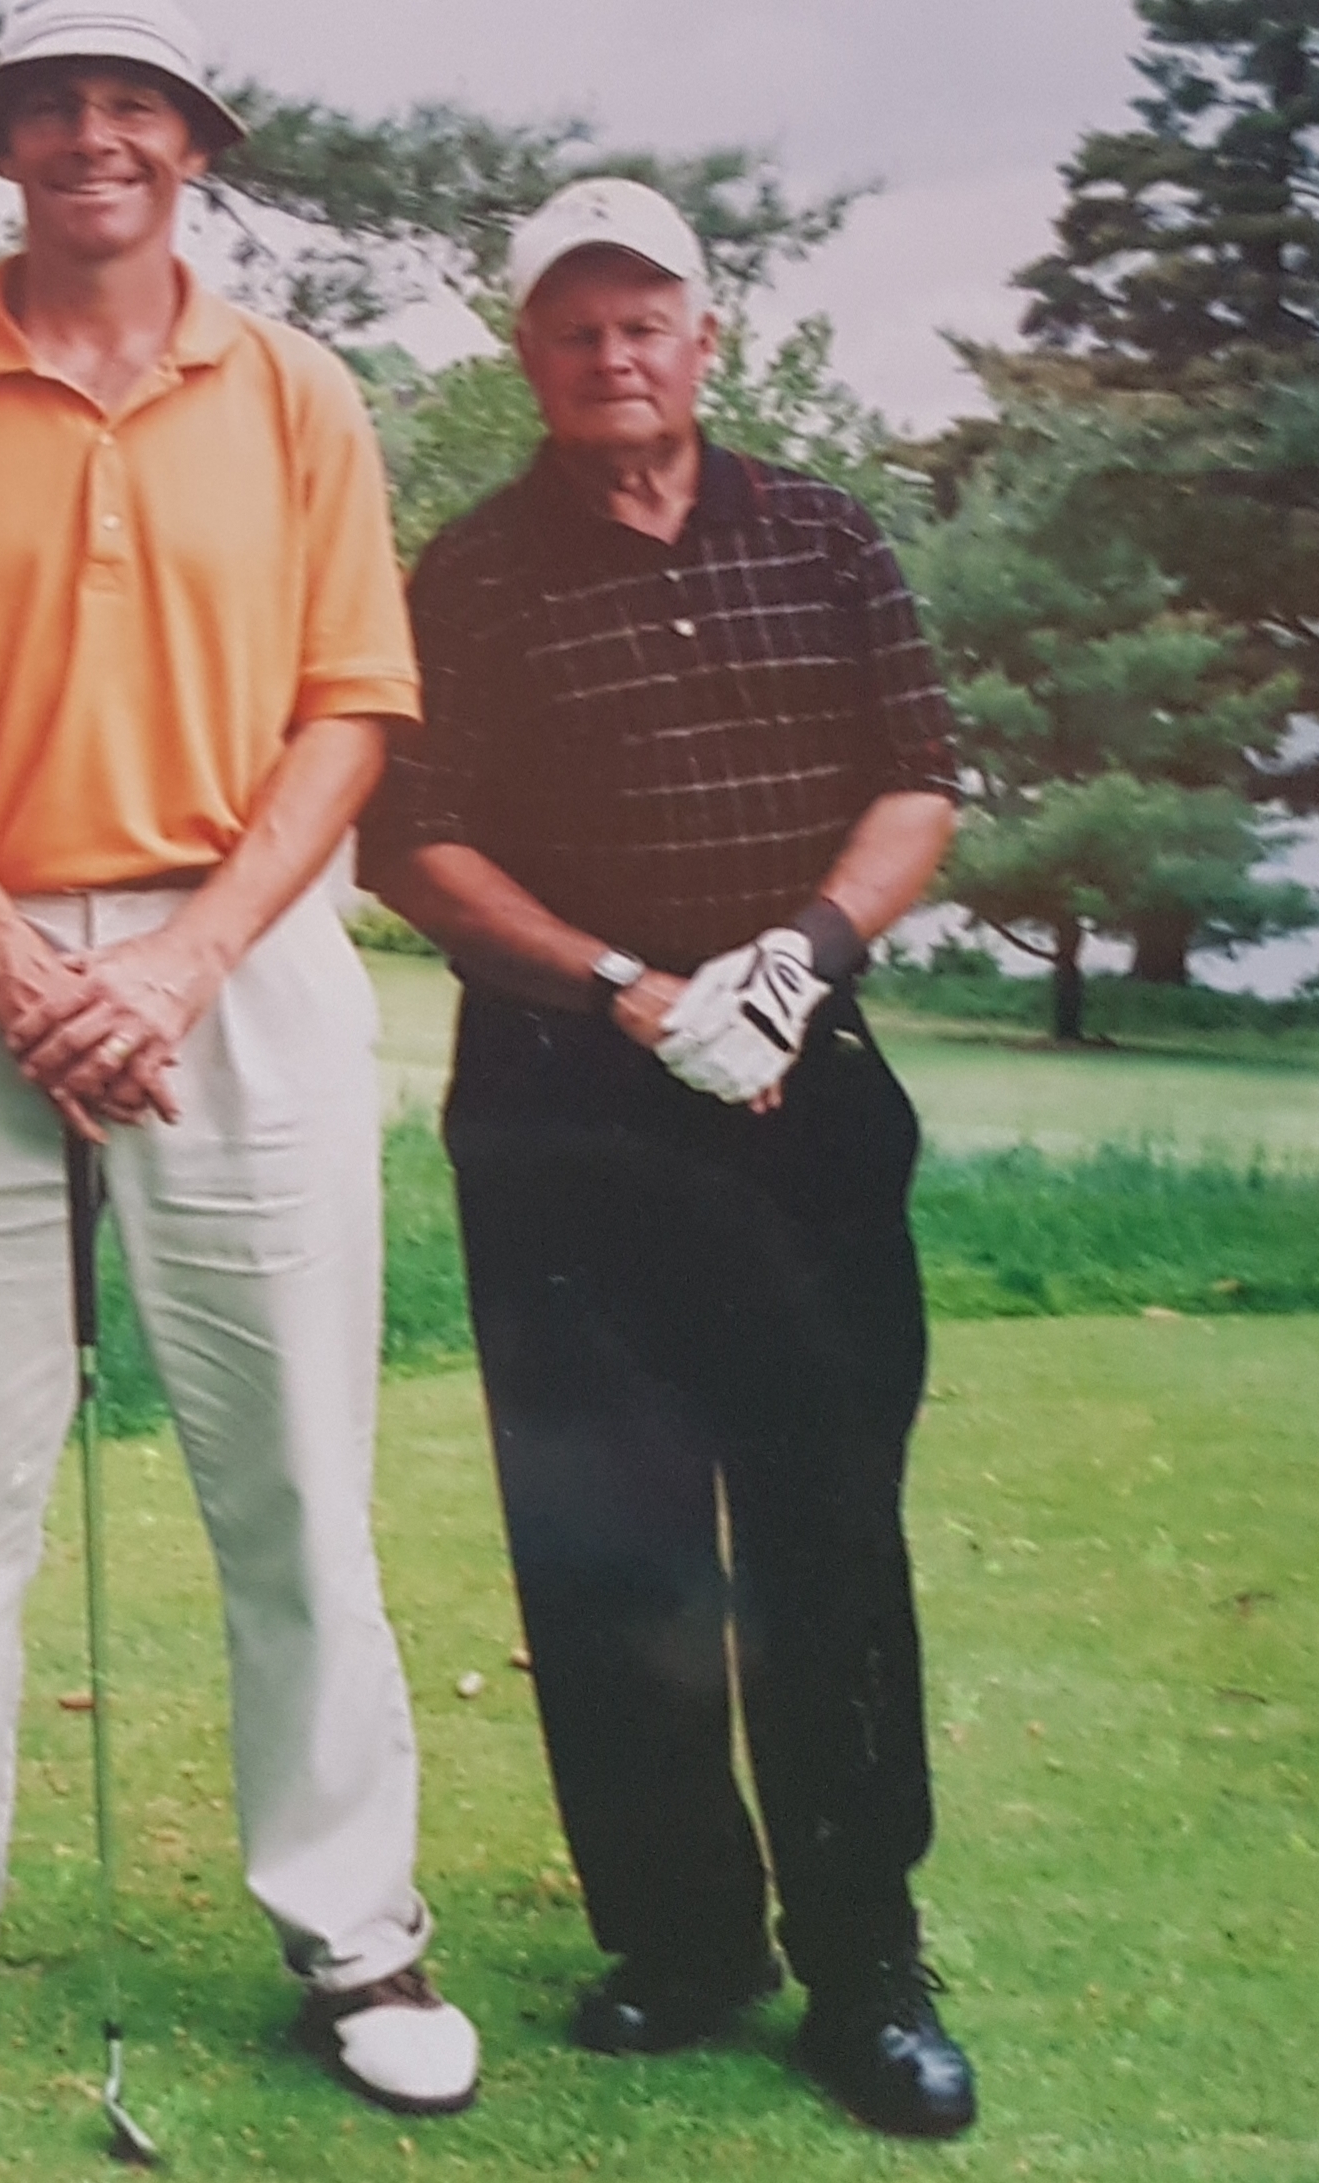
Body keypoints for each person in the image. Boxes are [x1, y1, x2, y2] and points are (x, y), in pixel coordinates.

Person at [0, 0, 480, 2120]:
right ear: (2, 144)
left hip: (236, 956)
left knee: (295, 1476)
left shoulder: (301, 391)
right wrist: (14, 961)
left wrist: (173, 968)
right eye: (53, 104)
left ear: (193, 144)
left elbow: (352, 709)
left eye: (132, 103)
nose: (94, 135)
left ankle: (359, 1937)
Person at [363, 177, 977, 2139]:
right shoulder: (473, 570)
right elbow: (416, 841)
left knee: (826, 1535)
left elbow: (918, 777)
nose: (613, 354)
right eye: (577, 326)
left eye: (646, 322)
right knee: (611, 1547)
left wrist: (797, 962)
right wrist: (627, 986)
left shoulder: (824, 533)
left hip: (808, 1103)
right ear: (530, 352)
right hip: (565, 1106)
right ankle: (686, 1938)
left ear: (704, 338)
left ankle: (865, 1960)